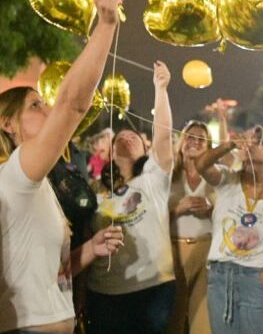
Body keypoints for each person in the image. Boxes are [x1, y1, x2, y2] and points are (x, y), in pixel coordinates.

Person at [0, 0, 126, 334]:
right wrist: (106, 24)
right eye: (36, 105)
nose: (49, 109)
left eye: (45, 103)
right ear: (7, 124)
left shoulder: (33, 181)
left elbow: (47, 274)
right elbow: (72, 104)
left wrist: (89, 249)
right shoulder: (12, 175)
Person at [86, 61, 176, 334]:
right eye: (120, 138)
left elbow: (163, 136)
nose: (127, 137)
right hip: (105, 292)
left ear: (146, 151)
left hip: (152, 289)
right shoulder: (95, 191)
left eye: (134, 137)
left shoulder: (153, 178)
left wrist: (161, 89)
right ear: (110, 153)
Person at [195, 124, 263, 334]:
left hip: (256, 279)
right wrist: (229, 144)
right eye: (250, 140)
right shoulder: (228, 180)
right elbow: (201, 165)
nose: (251, 144)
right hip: (220, 279)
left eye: (259, 142)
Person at [167, 106, 228, 334]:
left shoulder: (217, 175)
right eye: (190, 137)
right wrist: (178, 208)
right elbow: (152, 217)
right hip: (173, 251)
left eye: (201, 139)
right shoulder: (169, 174)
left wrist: (211, 210)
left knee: (203, 320)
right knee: (173, 316)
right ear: (181, 142)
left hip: (207, 250)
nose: (195, 142)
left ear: (209, 146)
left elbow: (230, 214)